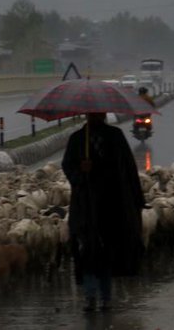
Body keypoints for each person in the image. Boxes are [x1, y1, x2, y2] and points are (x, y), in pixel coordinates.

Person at [61, 112, 145, 312]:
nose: (96, 117)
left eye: (99, 114)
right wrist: (81, 171)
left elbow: (128, 167)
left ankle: (105, 297)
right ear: (87, 115)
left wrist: (135, 198)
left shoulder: (115, 137)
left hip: (111, 202)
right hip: (85, 203)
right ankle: (90, 296)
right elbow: (67, 165)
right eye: (93, 114)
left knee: (107, 250)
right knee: (87, 250)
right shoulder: (77, 139)